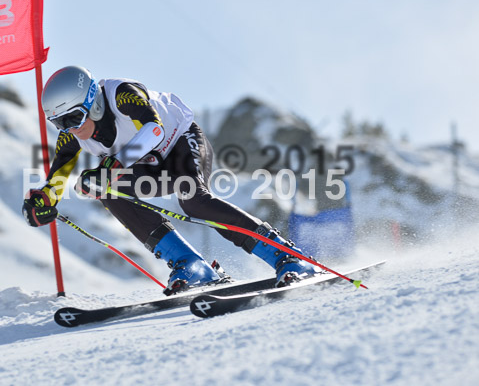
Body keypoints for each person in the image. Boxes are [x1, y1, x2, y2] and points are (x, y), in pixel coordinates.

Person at [23, 66, 319, 294]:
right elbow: (58, 176)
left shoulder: (121, 94)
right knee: (107, 191)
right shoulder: (71, 135)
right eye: (59, 123)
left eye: (73, 118)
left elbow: (154, 129)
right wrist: (44, 200)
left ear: (93, 103)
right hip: (147, 166)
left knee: (193, 199)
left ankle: (287, 255)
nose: (69, 129)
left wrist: (112, 166)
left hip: (180, 143)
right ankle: (192, 266)